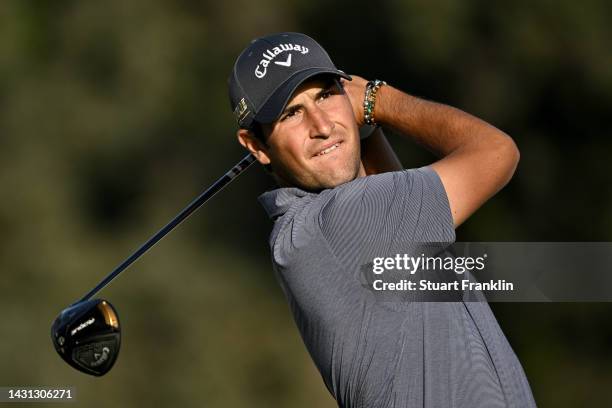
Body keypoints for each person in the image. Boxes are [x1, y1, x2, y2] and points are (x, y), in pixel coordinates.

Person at [228, 32, 536, 407]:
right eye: (291, 113)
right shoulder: (344, 218)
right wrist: (377, 100)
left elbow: (389, 195)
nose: (322, 124)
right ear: (256, 145)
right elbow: (498, 152)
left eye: (326, 94)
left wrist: (363, 128)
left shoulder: (308, 231)